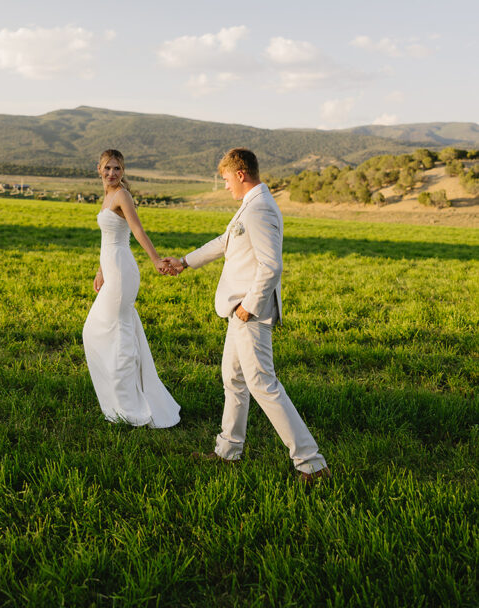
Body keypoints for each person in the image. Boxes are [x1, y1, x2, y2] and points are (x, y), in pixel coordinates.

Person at [164, 148, 330, 484]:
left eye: (226, 178)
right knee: (234, 380)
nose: (225, 185)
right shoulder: (251, 205)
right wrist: (184, 262)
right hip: (238, 312)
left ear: (240, 173)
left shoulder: (261, 209)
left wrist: (249, 305)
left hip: (248, 313)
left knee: (263, 384)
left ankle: (311, 464)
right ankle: (228, 451)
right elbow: (225, 241)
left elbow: (272, 265)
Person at [82, 149, 180, 428]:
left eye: (117, 169)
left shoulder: (122, 195)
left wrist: (156, 261)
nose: (112, 173)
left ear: (123, 172)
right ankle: (122, 399)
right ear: (98, 169)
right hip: (112, 271)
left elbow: (136, 230)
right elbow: (109, 238)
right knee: (99, 332)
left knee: (118, 334)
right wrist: (101, 270)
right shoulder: (107, 196)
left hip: (124, 273)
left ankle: (130, 407)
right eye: (107, 168)